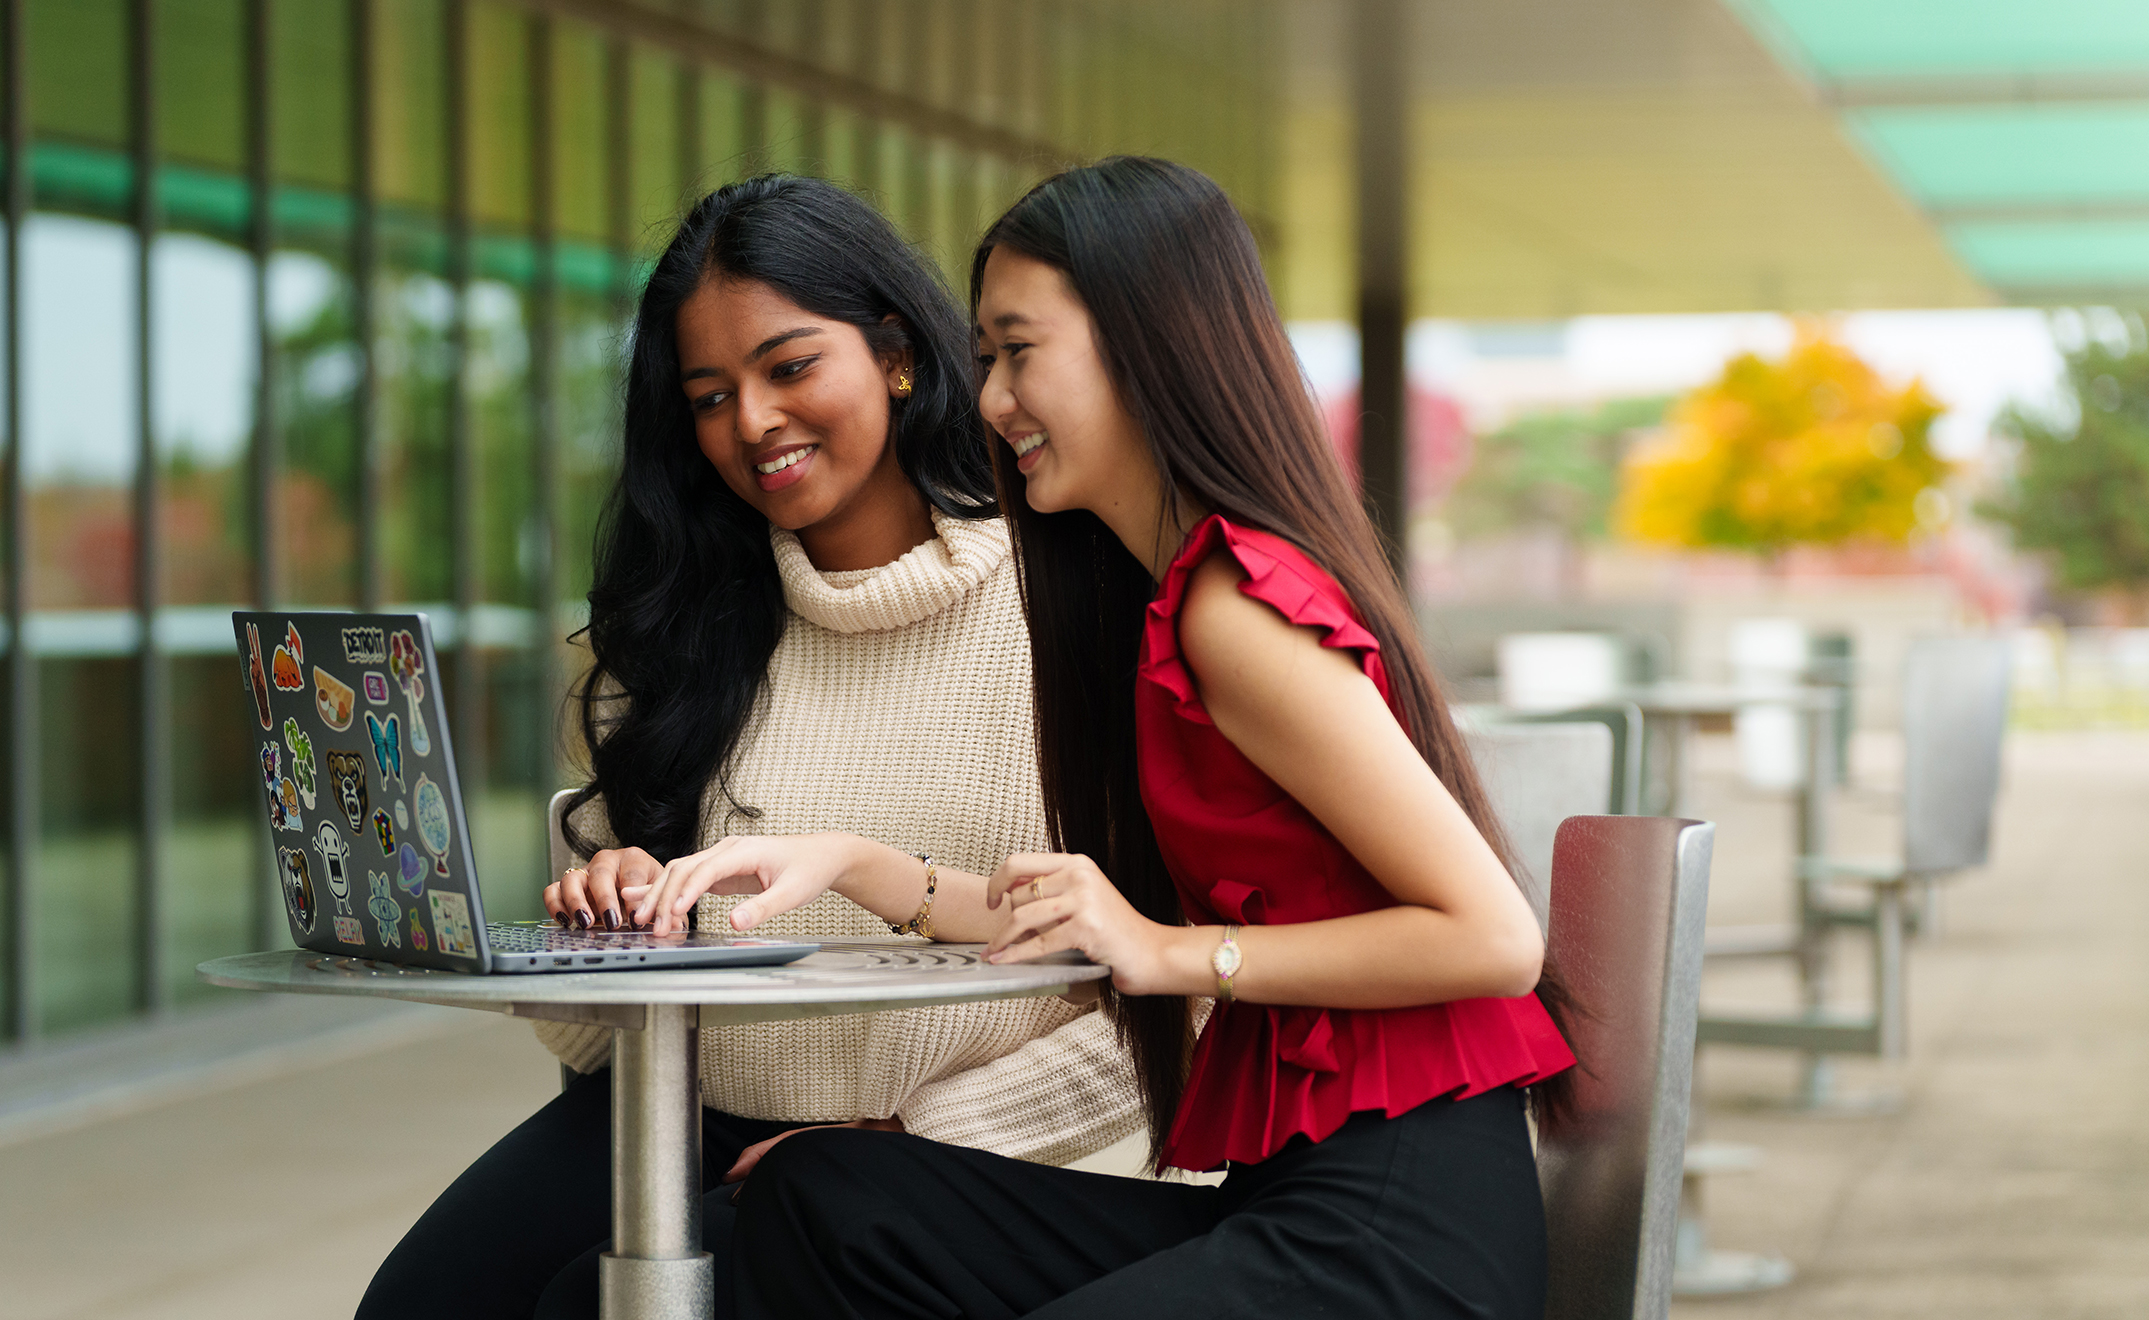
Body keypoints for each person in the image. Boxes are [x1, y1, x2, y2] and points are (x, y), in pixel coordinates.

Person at [623, 156, 1578, 1319]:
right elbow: (1103, 920)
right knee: (832, 1196)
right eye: (984, 358)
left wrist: (1179, 957)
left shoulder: (1240, 606)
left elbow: (1490, 938)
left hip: (1397, 1249)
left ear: (1144, 344)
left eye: (1020, 351)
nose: (989, 401)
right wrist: (857, 865)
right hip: (1282, 1205)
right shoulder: (1154, 601)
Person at [355, 175, 1140, 1320]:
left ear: (898, 354)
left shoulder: (1070, 610)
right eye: (710, 395)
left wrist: (910, 1138)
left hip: (933, 1152)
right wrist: (610, 917)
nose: (751, 423)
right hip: (665, 1111)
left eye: (789, 367)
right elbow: (590, 1047)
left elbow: (1161, 996)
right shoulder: (686, 625)